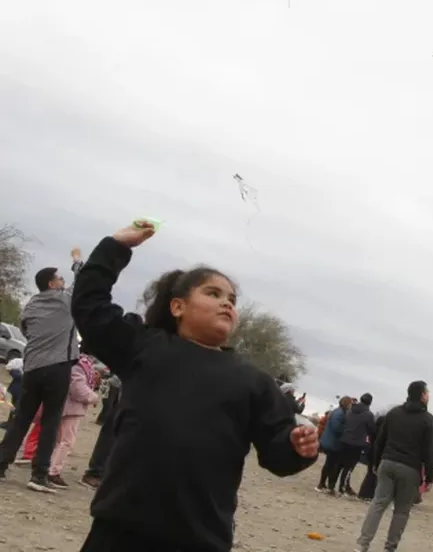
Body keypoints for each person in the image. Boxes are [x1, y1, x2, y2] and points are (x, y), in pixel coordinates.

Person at [69, 222, 318, 551]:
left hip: (199, 537)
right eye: (213, 294)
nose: (226, 303)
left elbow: (277, 453)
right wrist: (115, 247)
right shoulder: (145, 347)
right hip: (120, 527)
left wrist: (297, 447)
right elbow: (91, 307)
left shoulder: (253, 381)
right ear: (178, 307)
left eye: (232, 299)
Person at [0, 250, 82, 492]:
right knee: (51, 421)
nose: (63, 281)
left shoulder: (31, 304)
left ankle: (2, 464)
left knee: (22, 417)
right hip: (57, 367)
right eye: (59, 278)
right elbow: (84, 278)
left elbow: (26, 331)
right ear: (51, 283)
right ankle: (39, 474)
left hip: (33, 367)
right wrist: (77, 260)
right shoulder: (65, 300)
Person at [355, 380, 433, 552]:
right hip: (410, 468)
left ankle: (363, 544)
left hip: (387, 462)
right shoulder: (428, 420)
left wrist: (376, 462)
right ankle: (389, 548)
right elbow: (430, 451)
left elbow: (380, 440)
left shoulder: (394, 413)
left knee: (378, 504)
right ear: (422, 395)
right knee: (401, 510)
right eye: (427, 393)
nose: (429, 396)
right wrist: (430, 477)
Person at [47, 352, 100, 487]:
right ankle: (54, 471)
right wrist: (93, 397)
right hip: (72, 407)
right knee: (66, 441)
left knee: (60, 440)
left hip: (66, 405)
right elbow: (77, 388)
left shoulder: (77, 362)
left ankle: (50, 467)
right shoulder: (80, 365)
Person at [336, 392, 375, 496]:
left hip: (344, 440)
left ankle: (337, 485)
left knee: (340, 464)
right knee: (349, 466)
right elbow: (371, 430)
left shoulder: (350, 410)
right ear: (370, 402)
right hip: (357, 443)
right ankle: (342, 487)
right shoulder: (368, 414)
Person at [317, 396, 351, 492]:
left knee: (329, 463)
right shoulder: (340, 413)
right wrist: (347, 429)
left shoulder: (337, 411)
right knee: (331, 464)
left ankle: (323, 483)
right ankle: (323, 484)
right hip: (333, 443)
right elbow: (336, 427)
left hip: (330, 441)